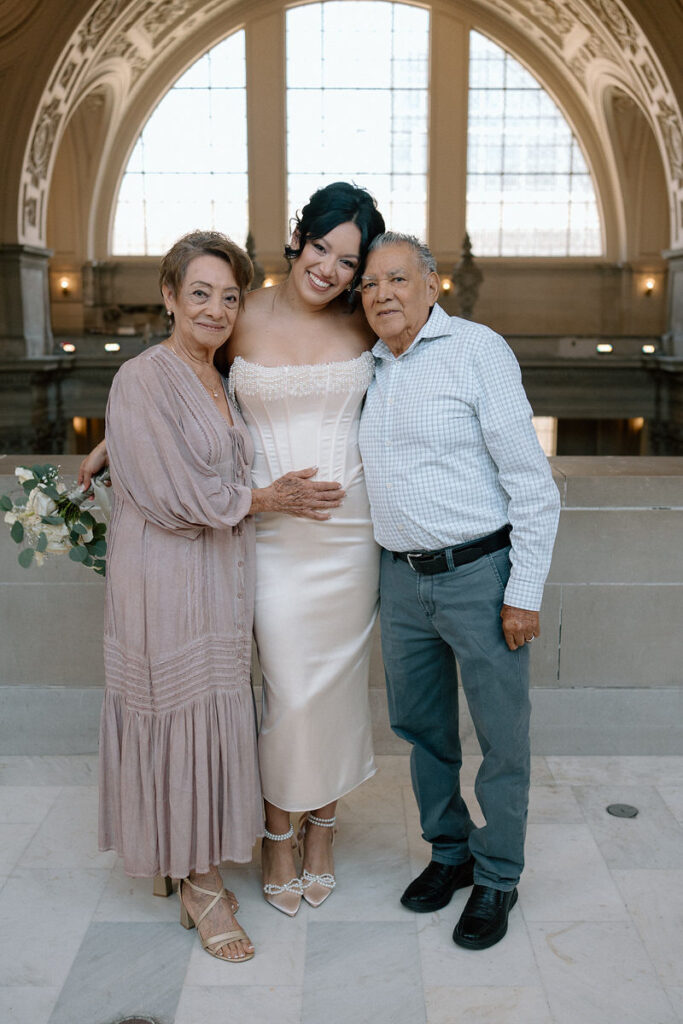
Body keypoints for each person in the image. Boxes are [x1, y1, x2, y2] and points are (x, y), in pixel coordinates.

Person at [95, 230, 344, 964]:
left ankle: (197, 861)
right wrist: (270, 497)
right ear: (168, 297)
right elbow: (174, 493)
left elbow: (184, 447)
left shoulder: (217, 372)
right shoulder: (143, 376)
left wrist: (109, 446)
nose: (215, 308)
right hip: (166, 575)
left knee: (210, 711)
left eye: (229, 296)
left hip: (218, 573)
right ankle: (199, 885)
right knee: (178, 714)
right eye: (199, 293)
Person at [357, 231, 560, 951]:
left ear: (432, 284)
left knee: (501, 739)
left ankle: (499, 875)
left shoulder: (477, 350)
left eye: (397, 279)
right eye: (370, 284)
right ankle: (450, 853)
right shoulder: (368, 366)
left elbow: (532, 485)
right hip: (401, 580)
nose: (382, 294)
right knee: (423, 732)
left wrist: (523, 592)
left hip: (481, 576)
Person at [227, 181, 386, 915]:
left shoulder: (366, 325)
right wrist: (113, 439)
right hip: (268, 533)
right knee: (288, 691)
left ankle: (320, 830)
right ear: (298, 238)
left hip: (349, 534)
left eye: (346, 260)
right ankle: (274, 834)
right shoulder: (241, 313)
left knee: (336, 688)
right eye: (321, 247)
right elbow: (181, 384)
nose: (328, 268)